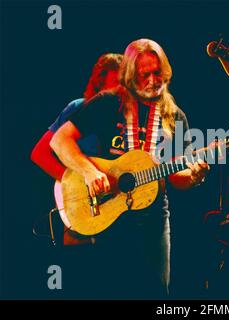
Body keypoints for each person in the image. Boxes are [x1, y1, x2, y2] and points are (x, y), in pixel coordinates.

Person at [50, 38, 209, 299]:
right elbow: (59, 140)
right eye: (144, 75)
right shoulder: (109, 102)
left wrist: (194, 176)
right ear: (131, 76)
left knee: (156, 293)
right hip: (109, 209)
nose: (152, 80)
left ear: (166, 71)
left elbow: (176, 177)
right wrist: (90, 172)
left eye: (157, 72)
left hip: (153, 219)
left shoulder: (175, 116)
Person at [31, 53, 123, 245]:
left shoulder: (128, 118)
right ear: (99, 84)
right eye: (114, 86)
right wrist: (75, 186)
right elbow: (40, 153)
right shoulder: (79, 107)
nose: (117, 94)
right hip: (83, 206)